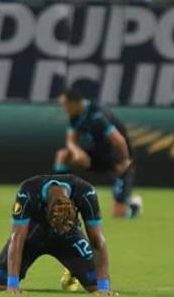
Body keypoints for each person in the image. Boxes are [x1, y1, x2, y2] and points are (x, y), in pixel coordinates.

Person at [0, 173, 116, 296]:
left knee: (95, 285)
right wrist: (12, 285)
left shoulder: (86, 193)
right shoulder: (28, 191)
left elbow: (97, 240)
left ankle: (73, 269)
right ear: (47, 210)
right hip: (33, 234)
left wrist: (104, 287)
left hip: (70, 236)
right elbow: (17, 238)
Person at [54, 89, 139, 219]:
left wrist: (125, 161)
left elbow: (119, 140)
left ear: (75, 103)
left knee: (119, 213)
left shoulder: (97, 114)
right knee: (63, 155)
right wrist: (78, 152)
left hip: (117, 157)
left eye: (65, 105)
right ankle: (61, 198)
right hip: (96, 155)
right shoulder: (75, 116)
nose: (64, 109)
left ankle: (134, 206)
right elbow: (70, 141)